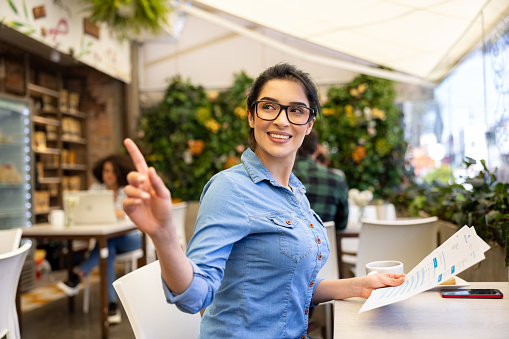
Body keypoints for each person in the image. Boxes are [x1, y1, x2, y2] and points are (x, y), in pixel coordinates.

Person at [122, 63, 404, 338]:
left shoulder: (295, 192)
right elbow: (194, 297)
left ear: (309, 124)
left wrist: (361, 286)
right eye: (269, 107)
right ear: (251, 116)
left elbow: (292, 283)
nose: (281, 120)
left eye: (296, 110)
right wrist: (164, 236)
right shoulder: (230, 188)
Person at [57, 154, 141, 325]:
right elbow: (87, 209)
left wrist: (105, 209)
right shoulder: (97, 188)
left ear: (120, 172)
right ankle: (111, 305)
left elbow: (127, 213)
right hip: (110, 240)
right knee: (106, 249)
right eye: (105, 171)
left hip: (132, 239)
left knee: (107, 244)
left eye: (112, 171)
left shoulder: (127, 189)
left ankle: (77, 275)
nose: (108, 175)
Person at [293, 130, 349, 230]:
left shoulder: (279, 175)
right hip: (325, 242)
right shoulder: (336, 179)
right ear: (317, 149)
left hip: (288, 242)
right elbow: (342, 224)